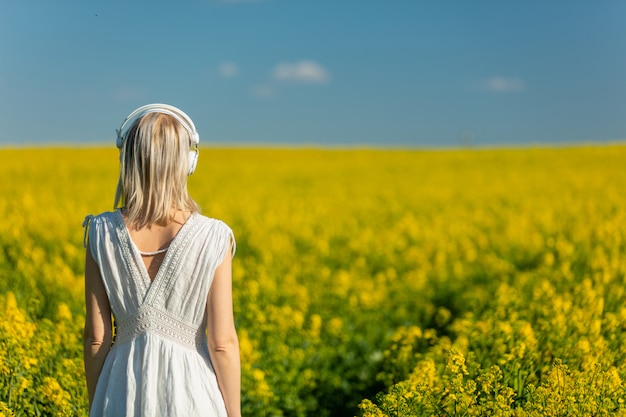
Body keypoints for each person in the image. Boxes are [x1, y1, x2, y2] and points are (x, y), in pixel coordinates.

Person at [83, 104, 241, 417]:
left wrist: (98, 403)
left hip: (121, 390)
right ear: (189, 161)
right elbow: (222, 343)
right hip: (193, 394)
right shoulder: (215, 236)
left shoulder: (100, 232)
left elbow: (96, 338)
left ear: (126, 160)